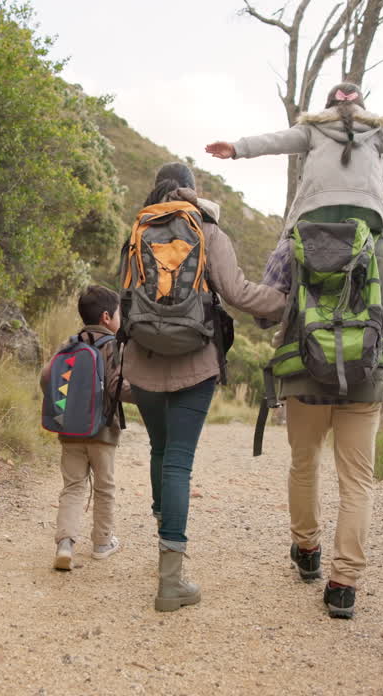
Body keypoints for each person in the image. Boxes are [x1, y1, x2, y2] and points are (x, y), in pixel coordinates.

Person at [205, 82, 383, 619]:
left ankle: (307, 550)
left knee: (303, 465)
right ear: (361, 111)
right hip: (364, 378)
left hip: (304, 378)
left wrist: (236, 149)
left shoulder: (293, 245)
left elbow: (268, 309)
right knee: (357, 479)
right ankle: (343, 584)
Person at [122, 162, 287, 612]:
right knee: (179, 462)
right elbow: (239, 293)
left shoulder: (139, 228)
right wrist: (291, 302)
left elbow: (126, 296)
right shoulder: (207, 230)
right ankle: (169, 580)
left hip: (143, 359)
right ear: (192, 192)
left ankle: (164, 544)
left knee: (160, 450)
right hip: (196, 360)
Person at [41, 285, 130, 571]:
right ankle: (103, 543)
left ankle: (65, 543)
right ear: (107, 317)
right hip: (103, 431)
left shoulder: (69, 344)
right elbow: (119, 387)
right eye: (119, 314)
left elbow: (46, 377)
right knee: (104, 487)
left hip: (70, 430)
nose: (121, 319)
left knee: (73, 486)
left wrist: (64, 407)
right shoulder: (113, 346)